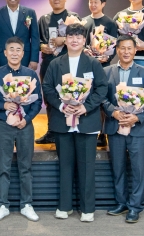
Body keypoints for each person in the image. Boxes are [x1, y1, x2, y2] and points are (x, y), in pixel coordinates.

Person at [42, 23, 108, 222]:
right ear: (66, 38)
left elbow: (102, 88)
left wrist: (85, 106)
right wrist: (62, 106)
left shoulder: (93, 63)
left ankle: (88, 209)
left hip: (86, 121)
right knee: (65, 165)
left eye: (78, 37)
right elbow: (48, 88)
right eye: (70, 36)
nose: (74, 40)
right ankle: (65, 206)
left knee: (87, 166)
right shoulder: (55, 63)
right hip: (63, 121)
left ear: (84, 40)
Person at [0, 37, 42, 222]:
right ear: (5, 52)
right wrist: (4, 104)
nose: (15, 53)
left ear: (23, 53)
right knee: (3, 166)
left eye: (18, 49)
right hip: (3, 125)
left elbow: (37, 101)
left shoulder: (31, 74)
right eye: (11, 49)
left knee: (26, 166)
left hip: (25, 126)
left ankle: (27, 204)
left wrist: (26, 119)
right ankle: (2, 205)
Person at [103, 34, 144, 224]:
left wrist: (137, 117)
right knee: (118, 168)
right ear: (117, 50)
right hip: (115, 126)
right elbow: (102, 97)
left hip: (138, 129)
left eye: (129, 48)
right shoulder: (107, 71)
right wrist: (113, 113)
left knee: (138, 168)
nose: (126, 51)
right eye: (122, 48)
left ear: (135, 50)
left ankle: (135, 206)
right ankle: (121, 202)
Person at [36, 0, 81, 145]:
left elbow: (81, 40)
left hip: (69, 65)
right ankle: (51, 131)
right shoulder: (44, 19)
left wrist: (65, 39)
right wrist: (43, 47)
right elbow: (37, 41)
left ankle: (71, 127)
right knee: (50, 97)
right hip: (49, 64)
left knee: (71, 96)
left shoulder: (74, 18)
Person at [82, 0, 118, 147]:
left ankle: (103, 133)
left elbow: (114, 45)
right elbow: (81, 42)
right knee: (88, 97)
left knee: (103, 97)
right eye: (90, 2)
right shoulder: (84, 22)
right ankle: (90, 129)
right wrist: (84, 50)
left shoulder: (110, 23)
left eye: (96, 2)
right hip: (87, 66)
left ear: (103, 4)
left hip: (104, 66)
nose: (92, 5)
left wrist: (107, 57)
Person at [0, 0, 40, 71]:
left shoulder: (30, 13)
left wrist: (34, 59)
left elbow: (35, 38)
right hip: (2, 58)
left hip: (25, 58)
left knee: (23, 83)